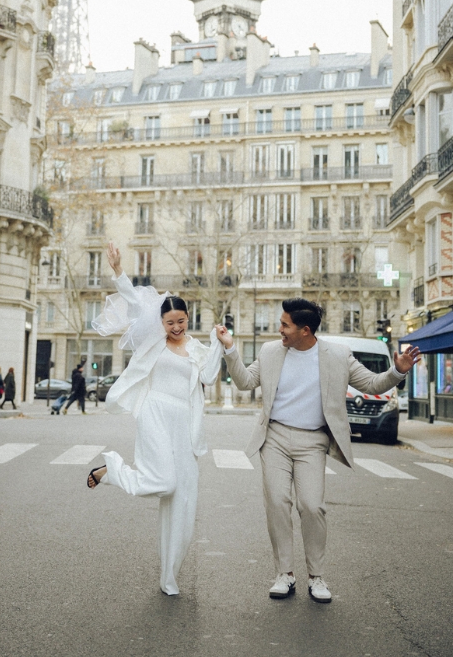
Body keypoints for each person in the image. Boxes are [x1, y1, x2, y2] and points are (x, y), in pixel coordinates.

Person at [215, 299, 421, 603]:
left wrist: (397, 371)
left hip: (312, 442)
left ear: (305, 330)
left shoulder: (337, 355)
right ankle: (284, 574)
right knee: (277, 502)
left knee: (312, 506)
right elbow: (245, 382)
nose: (279, 329)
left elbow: (372, 383)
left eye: (285, 325)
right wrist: (230, 349)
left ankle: (316, 576)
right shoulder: (271, 351)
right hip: (274, 437)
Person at [85, 242, 222, 596]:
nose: (175, 327)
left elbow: (208, 376)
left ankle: (169, 577)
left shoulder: (196, 347)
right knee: (163, 483)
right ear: (160, 321)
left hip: (186, 426)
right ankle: (111, 472)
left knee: (183, 504)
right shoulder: (153, 338)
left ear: (188, 319)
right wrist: (118, 270)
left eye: (181, 321)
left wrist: (221, 344)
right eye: (169, 321)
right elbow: (133, 301)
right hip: (156, 414)